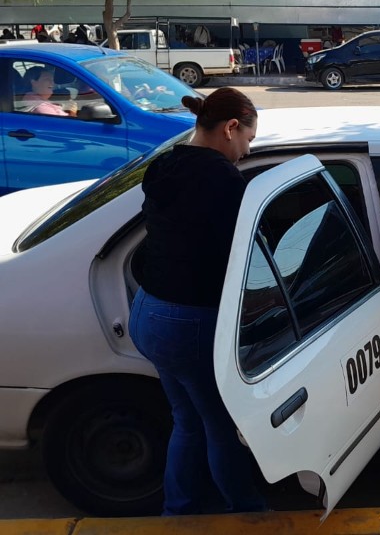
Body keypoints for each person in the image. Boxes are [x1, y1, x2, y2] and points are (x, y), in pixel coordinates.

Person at [128, 87, 266, 516]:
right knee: (220, 426)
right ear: (230, 129)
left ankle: (179, 510)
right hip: (188, 323)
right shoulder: (221, 178)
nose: (246, 151)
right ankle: (247, 512)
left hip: (147, 313)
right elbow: (240, 254)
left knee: (187, 420)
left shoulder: (164, 163)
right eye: (247, 140)